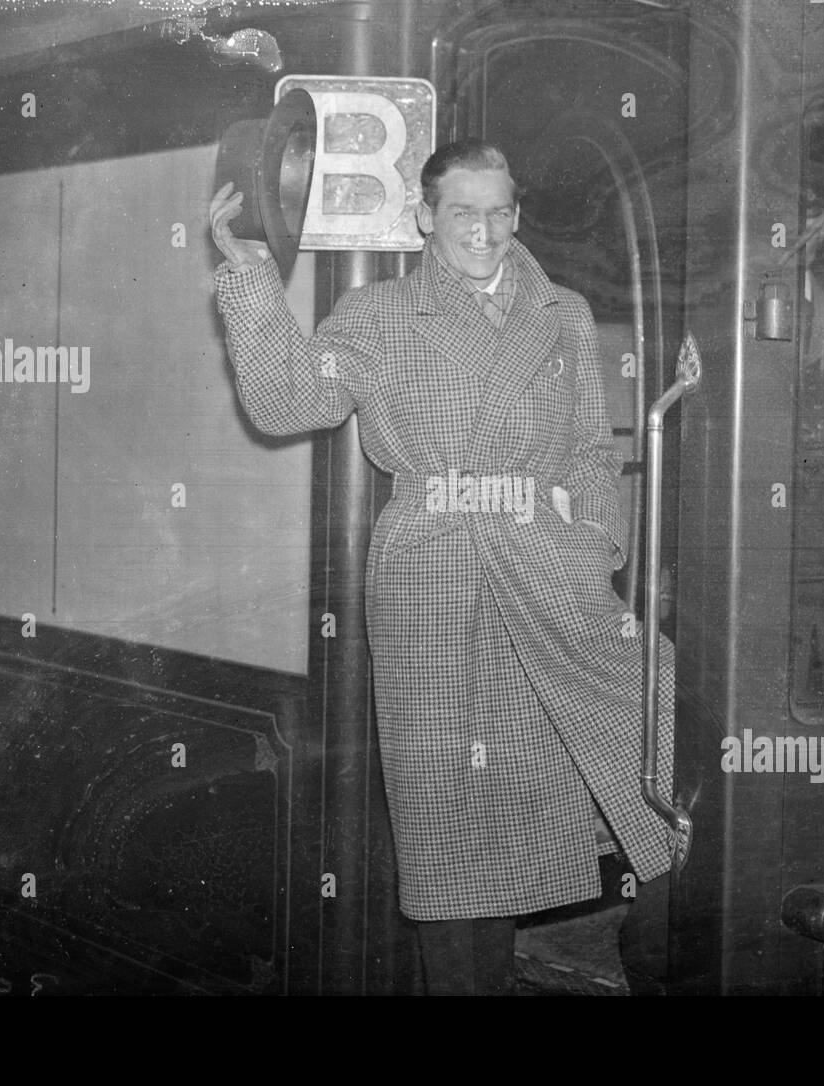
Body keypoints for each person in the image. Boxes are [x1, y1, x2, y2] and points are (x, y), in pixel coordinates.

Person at [210, 138, 677, 995]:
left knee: (645, 726)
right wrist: (251, 283)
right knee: (449, 818)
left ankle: (641, 941)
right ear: (426, 217)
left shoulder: (563, 313)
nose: (485, 230)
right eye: (464, 211)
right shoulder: (379, 315)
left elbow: (588, 450)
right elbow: (289, 402)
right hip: (433, 573)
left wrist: (593, 546)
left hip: (545, 567)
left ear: (517, 214)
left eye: (500, 210)